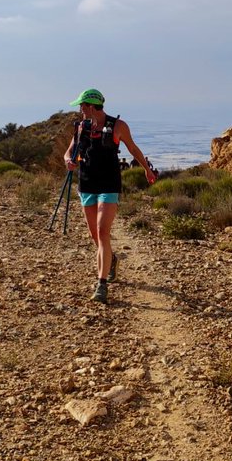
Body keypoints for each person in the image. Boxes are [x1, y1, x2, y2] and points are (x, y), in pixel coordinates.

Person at [64, 88, 157, 303]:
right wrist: (68, 160)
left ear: (90, 106)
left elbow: (132, 148)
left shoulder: (118, 126)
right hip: (86, 183)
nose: (80, 109)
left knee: (102, 231)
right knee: (94, 236)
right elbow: (69, 151)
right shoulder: (79, 127)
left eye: (82, 105)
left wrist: (147, 169)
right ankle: (111, 259)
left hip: (109, 183)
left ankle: (101, 284)